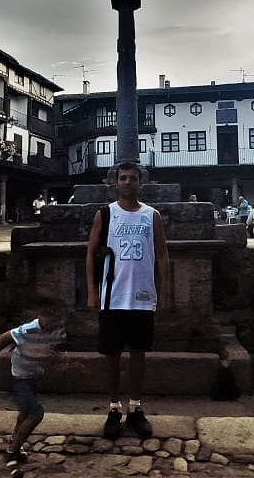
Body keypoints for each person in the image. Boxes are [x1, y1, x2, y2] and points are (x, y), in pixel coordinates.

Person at [86, 162, 170, 439]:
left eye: (132, 178)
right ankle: (113, 408)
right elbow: (90, 253)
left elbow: (162, 254)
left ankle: (135, 407)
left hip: (142, 296)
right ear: (116, 182)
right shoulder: (106, 214)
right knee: (111, 355)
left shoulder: (152, 215)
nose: (127, 182)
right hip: (112, 296)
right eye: (123, 178)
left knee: (138, 354)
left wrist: (165, 289)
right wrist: (91, 291)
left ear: (140, 183)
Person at [0, 295, 66, 478]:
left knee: (24, 413)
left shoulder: (57, 331)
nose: (54, 321)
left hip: (34, 376)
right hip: (20, 378)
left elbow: (49, 351)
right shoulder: (28, 330)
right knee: (36, 413)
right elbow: (2, 339)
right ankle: (13, 450)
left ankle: (14, 444)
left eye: (58, 317)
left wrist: (57, 362)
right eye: (50, 316)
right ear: (40, 315)